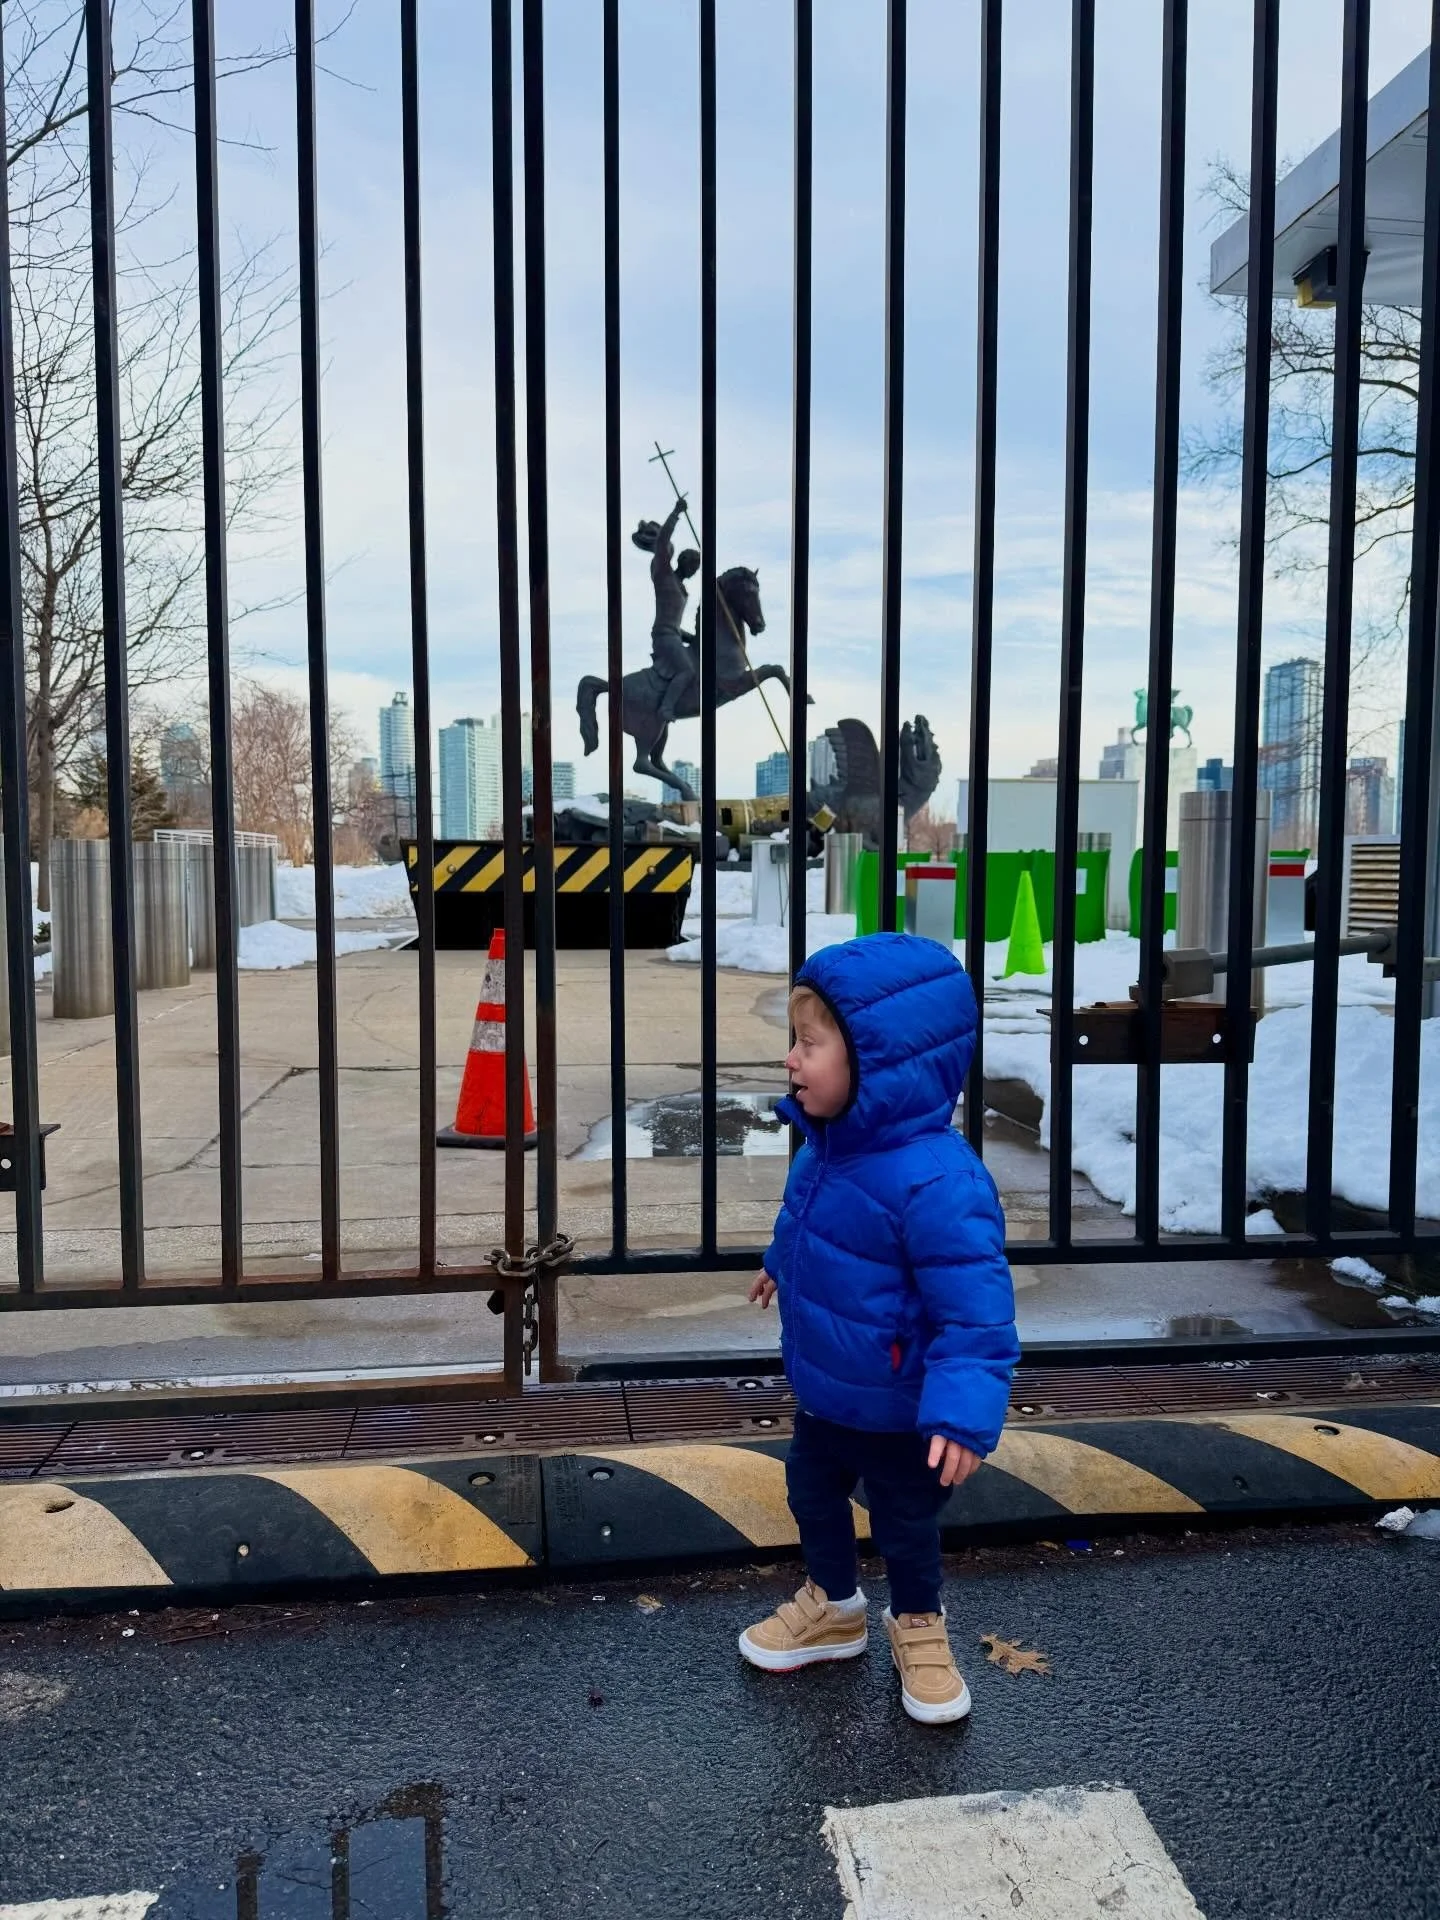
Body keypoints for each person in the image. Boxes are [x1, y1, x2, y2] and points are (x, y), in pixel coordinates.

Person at [739, 932, 1018, 1725]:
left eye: (809, 1044)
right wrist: (778, 1263)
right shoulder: (824, 1149)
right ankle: (834, 1603)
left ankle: (920, 1625)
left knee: (905, 1521)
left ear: (881, 1063)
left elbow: (976, 1311)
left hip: (902, 1406)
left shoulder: (939, 1180)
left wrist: (963, 1414)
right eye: (793, 1041)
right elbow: (810, 1225)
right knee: (811, 1493)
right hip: (828, 1389)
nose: (791, 1060)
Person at [643, 496, 700, 728]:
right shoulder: (664, 574)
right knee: (687, 671)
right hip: (664, 636)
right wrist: (676, 513)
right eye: (692, 565)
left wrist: (693, 638)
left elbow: (676, 624)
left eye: (697, 568)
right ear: (682, 561)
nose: (694, 571)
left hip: (674, 635)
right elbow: (662, 542)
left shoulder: (683, 588)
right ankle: (666, 707)